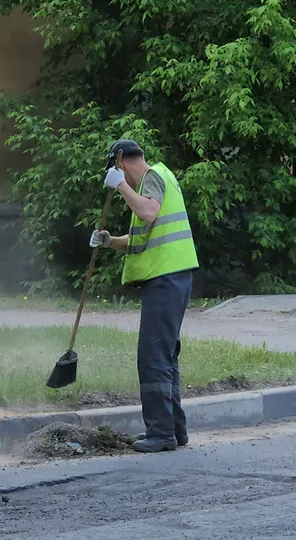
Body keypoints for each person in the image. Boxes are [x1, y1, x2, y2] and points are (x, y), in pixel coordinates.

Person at [89, 139, 200, 453]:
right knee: (164, 357)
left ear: (120, 161)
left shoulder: (151, 178)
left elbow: (149, 213)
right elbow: (140, 238)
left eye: (116, 169)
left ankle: (161, 434)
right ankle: (175, 431)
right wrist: (108, 240)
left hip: (166, 279)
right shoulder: (160, 179)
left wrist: (122, 186)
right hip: (171, 278)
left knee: (152, 357)